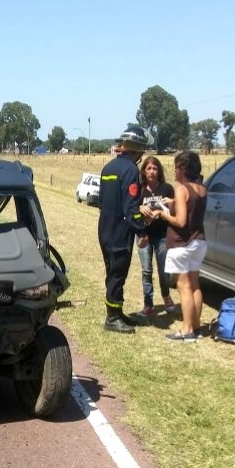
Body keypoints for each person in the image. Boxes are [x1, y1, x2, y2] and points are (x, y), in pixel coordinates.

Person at [98, 125, 156, 333]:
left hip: (105, 229)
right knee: (118, 274)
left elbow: (101, 200)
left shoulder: (109, 168)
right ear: (138, 149)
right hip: (120, 232)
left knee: (112, 272)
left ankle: (117, 312)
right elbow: (131, 208)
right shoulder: (131, 170)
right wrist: (142, 231)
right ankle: (112, 319)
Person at [155, 151, 207, 341]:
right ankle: (196, 326)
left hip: (181, 244)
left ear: (183, 169)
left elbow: (181, 220)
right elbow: (190, 206)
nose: (174, 171)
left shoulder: (181, 188)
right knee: (195, 285)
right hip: (199, 241)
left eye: (176, 167)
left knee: (182, 285)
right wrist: (173, 202)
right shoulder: (201, 189)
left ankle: (186, 330)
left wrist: (163, 215)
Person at [134, 156, 176, 317]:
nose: (152, 171)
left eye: (155, 168)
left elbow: (174, 211)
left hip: (162, 236)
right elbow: (131, 207)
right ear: (144, 171)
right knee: (146, 270)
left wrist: (170, 205)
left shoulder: (166, 189)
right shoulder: (139, 190)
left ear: (159, 171)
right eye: (148, 168)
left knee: (163, 270)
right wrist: (139, 207)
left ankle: (166, 297)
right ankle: (148, 304)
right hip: (144, 235)